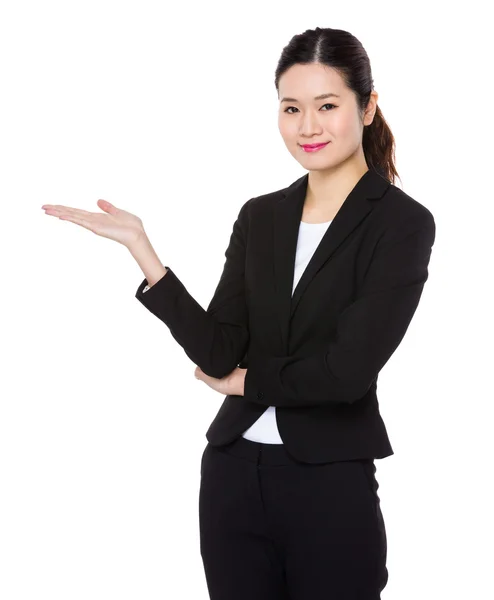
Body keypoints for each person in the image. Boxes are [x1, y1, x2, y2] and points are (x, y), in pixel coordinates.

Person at [42, 26, 436, 600]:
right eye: (291, 108)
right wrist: (146, 254)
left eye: (328, 106)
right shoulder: (261, 217)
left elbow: (346, 373)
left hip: (329, 482)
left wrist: (247, 381)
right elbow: (219, 349)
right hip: (231, 475)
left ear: (368, 106)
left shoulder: (402, 224)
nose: (308, 127)